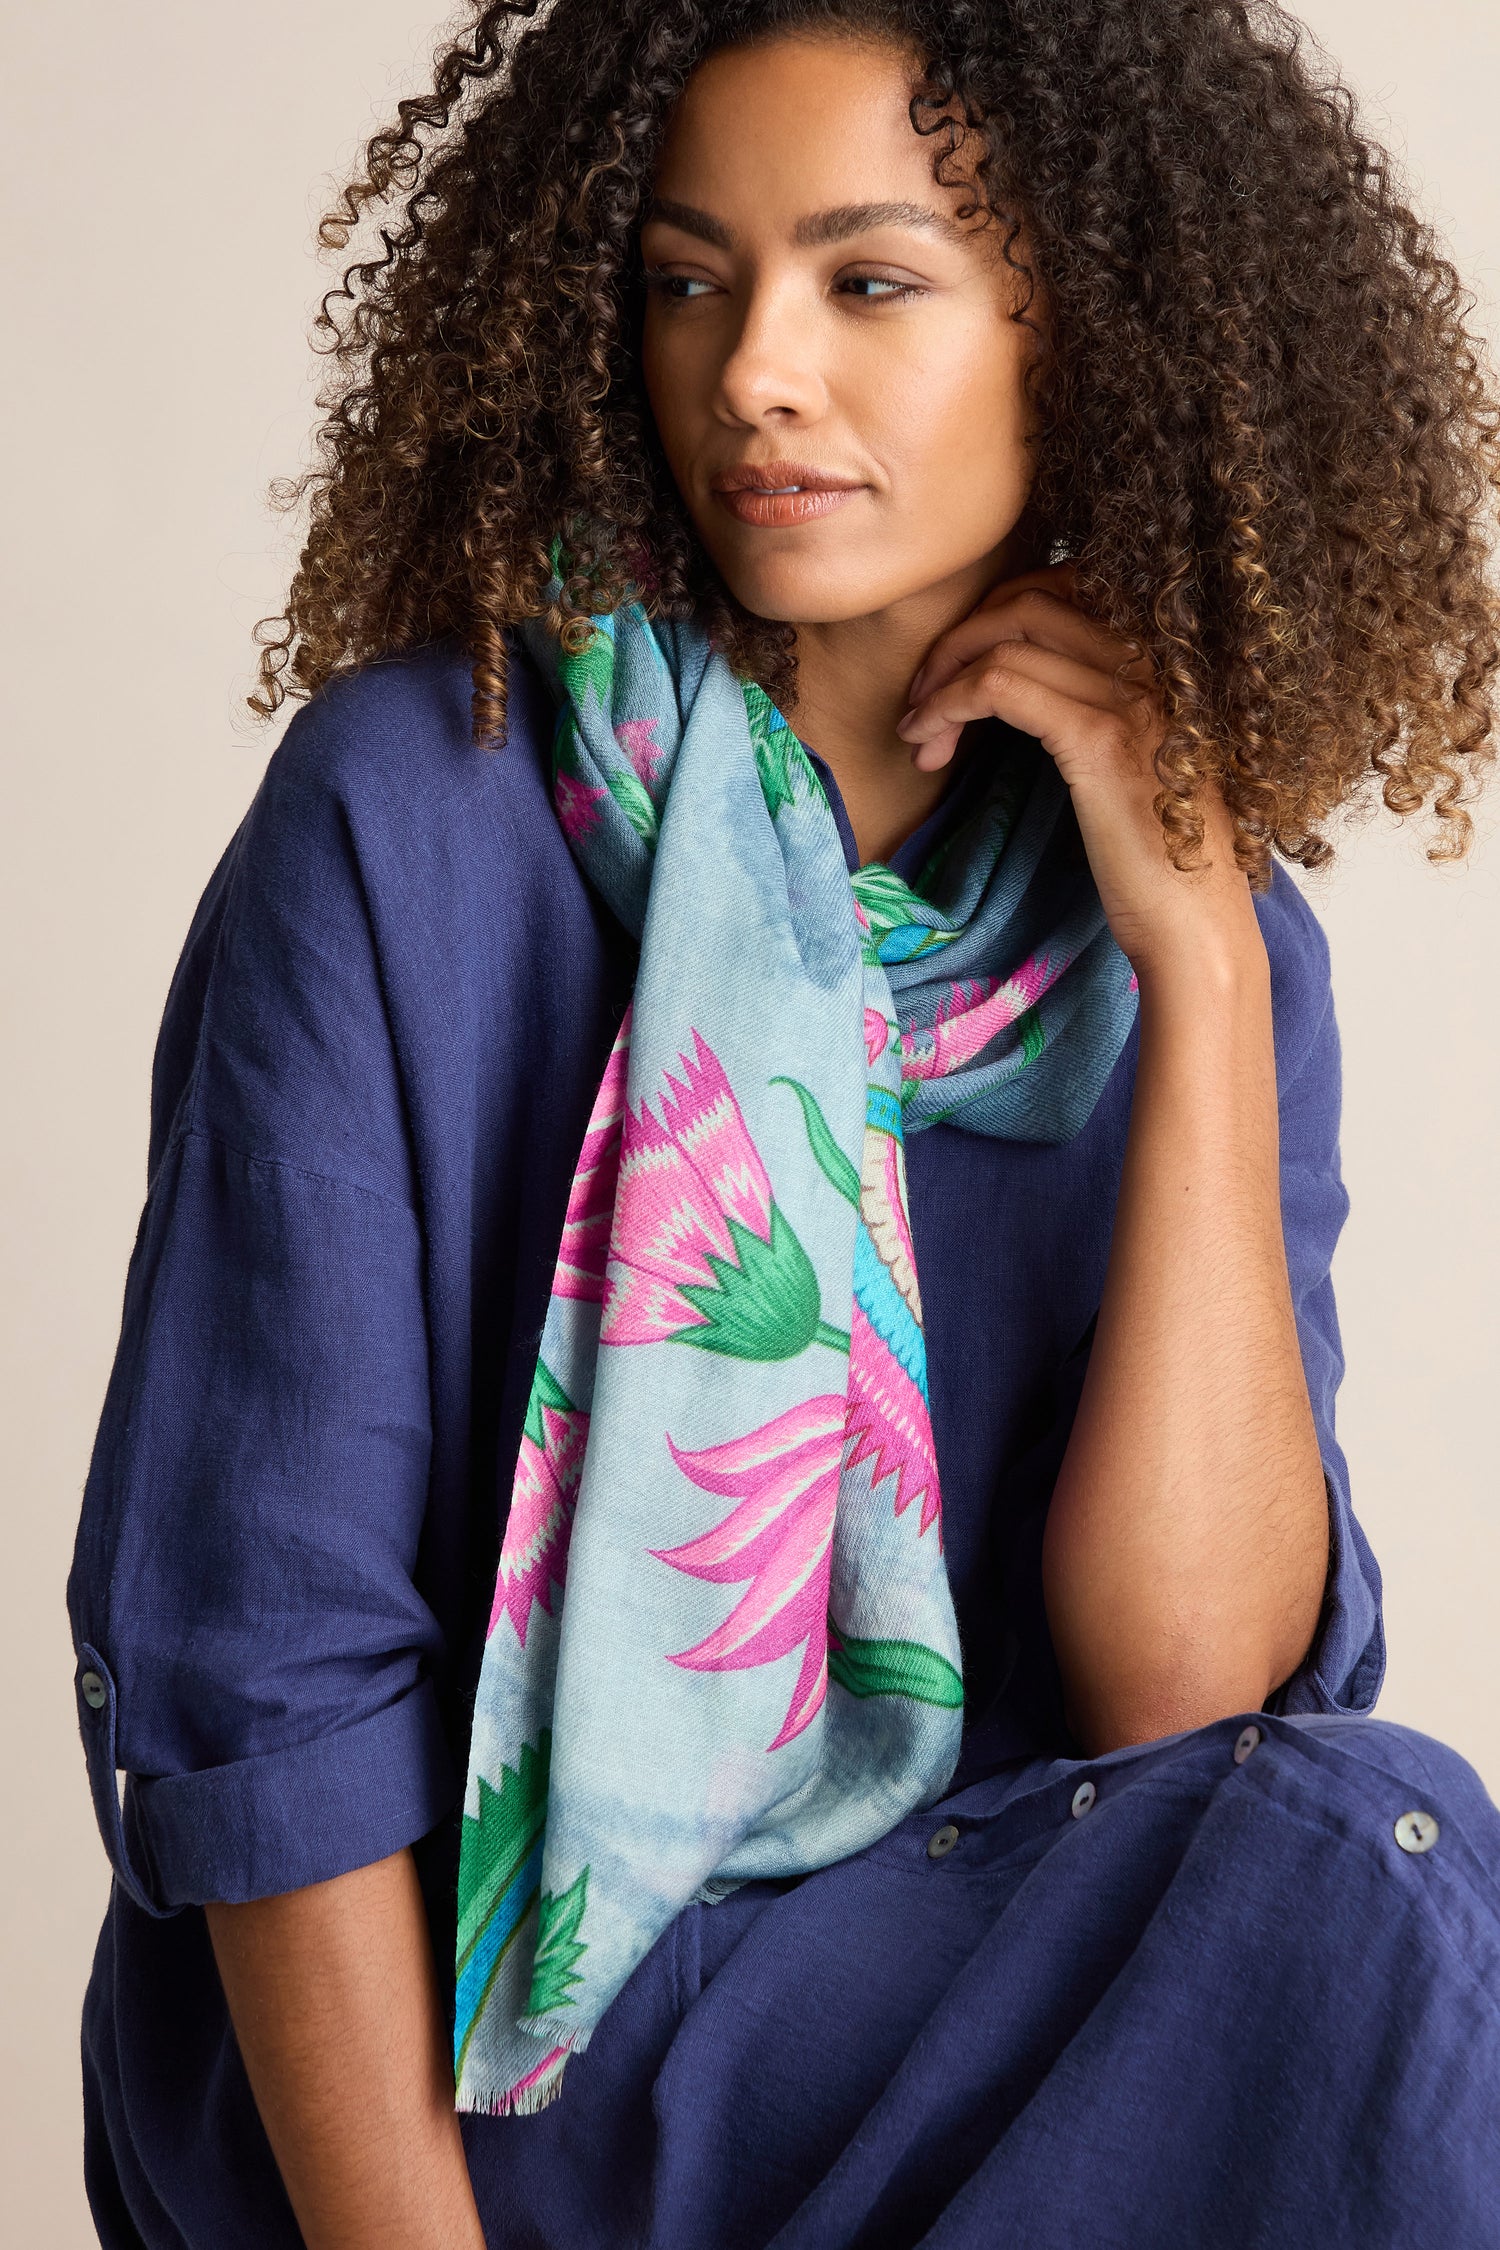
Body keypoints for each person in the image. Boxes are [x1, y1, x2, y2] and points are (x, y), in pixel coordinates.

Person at [68, 3, 1500, 2245]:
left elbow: (1188, 1705)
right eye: (685, 277)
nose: (753, 370)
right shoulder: (412, 818)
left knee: (1368, 1865)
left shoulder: (1194, 941)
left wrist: (1205, 972)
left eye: (867, 279)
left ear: (1089, 331)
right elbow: (260, 1671)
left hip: (941, 2020)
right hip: (462, 2055)